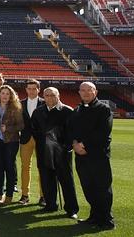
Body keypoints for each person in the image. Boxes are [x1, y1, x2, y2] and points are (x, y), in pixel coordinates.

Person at [69, 82, 115, 230]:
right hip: (81, 157)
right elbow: (71, 130)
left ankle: (106, 220)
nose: (86, 93)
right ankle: (94, 216)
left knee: (102, 188)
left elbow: (103, 132)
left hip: (98, 156)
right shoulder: (77, 110)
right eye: (83, 90)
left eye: (89, 90)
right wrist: (75, 143)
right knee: (88, 187)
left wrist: (83, 145)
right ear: (79, 92)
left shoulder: (104, 109)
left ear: (95, 92)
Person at [31, 87, 79, 218]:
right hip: (43, 151)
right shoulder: (38, 112)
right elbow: (34, 130)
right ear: (43, 97)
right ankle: (50, 205)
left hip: (62, 152)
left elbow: (72, 132)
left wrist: (63, 145)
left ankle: (72, 209)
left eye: (52, 95)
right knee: (47, 179)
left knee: (66, 180)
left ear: (58, 96)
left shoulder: (67, 111)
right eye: (47, 95)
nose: (50, 98)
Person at [0, 84, 23, 205]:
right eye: (3, 93)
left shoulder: (15, 107)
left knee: (9, 167)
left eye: (7, 93)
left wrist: (8, 128)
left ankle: (9, 195)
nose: (5, 95)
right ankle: (0, 194)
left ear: (11, 95)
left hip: (11, 141)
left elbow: (21, 126)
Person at [19, 79, 45, 205]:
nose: (31, 91)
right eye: (29, 88)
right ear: (26, 90)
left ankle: (43, 196)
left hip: (41, 140)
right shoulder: (20, 103)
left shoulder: (45, 103)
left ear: (38, 89)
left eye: (34, 88)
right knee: (25, 167)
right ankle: (25, 195)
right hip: (25, 139)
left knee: (42, 168)